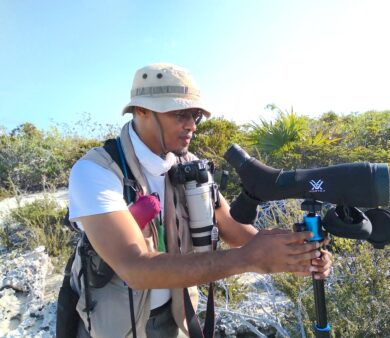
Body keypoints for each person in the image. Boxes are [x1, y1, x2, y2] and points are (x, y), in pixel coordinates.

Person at [66, 63, 332, 338]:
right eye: (180, 114)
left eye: (195, 115)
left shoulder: (191, 167)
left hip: (179, 316)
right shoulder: (96, 171)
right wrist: (247, 259)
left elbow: (234, 229)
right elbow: (134, 267)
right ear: (141, 111)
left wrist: (297, 252)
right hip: (118, 326)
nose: (191, 125)